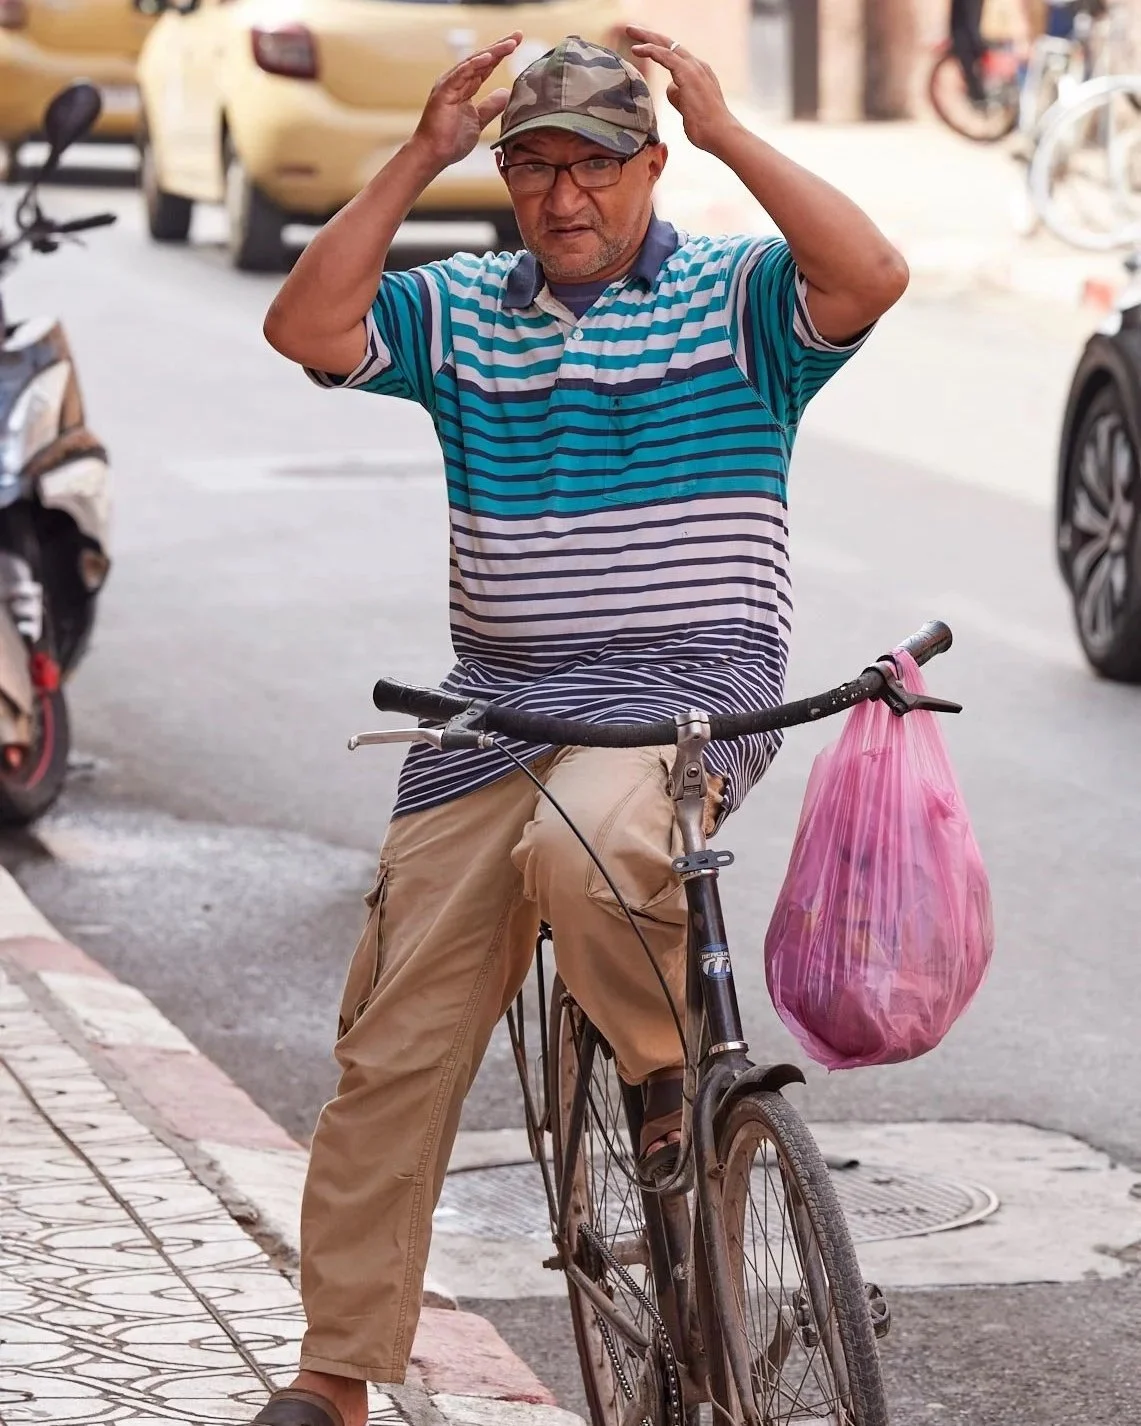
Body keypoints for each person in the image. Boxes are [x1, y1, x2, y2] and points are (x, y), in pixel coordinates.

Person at [257, 26, 907, 1426]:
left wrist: (735, 134)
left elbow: (871, 274)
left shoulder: (739, 297)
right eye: (534, 169)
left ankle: (674, 1095)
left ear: (647, 170)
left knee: (597, 839)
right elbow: (307, 327)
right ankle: (335, 1374)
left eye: (596, 169)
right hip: (497, 719)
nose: (565, 199)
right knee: (393, 1043)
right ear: (505, 183)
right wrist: (416, 154)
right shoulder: (460, 310)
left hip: (685, 693)